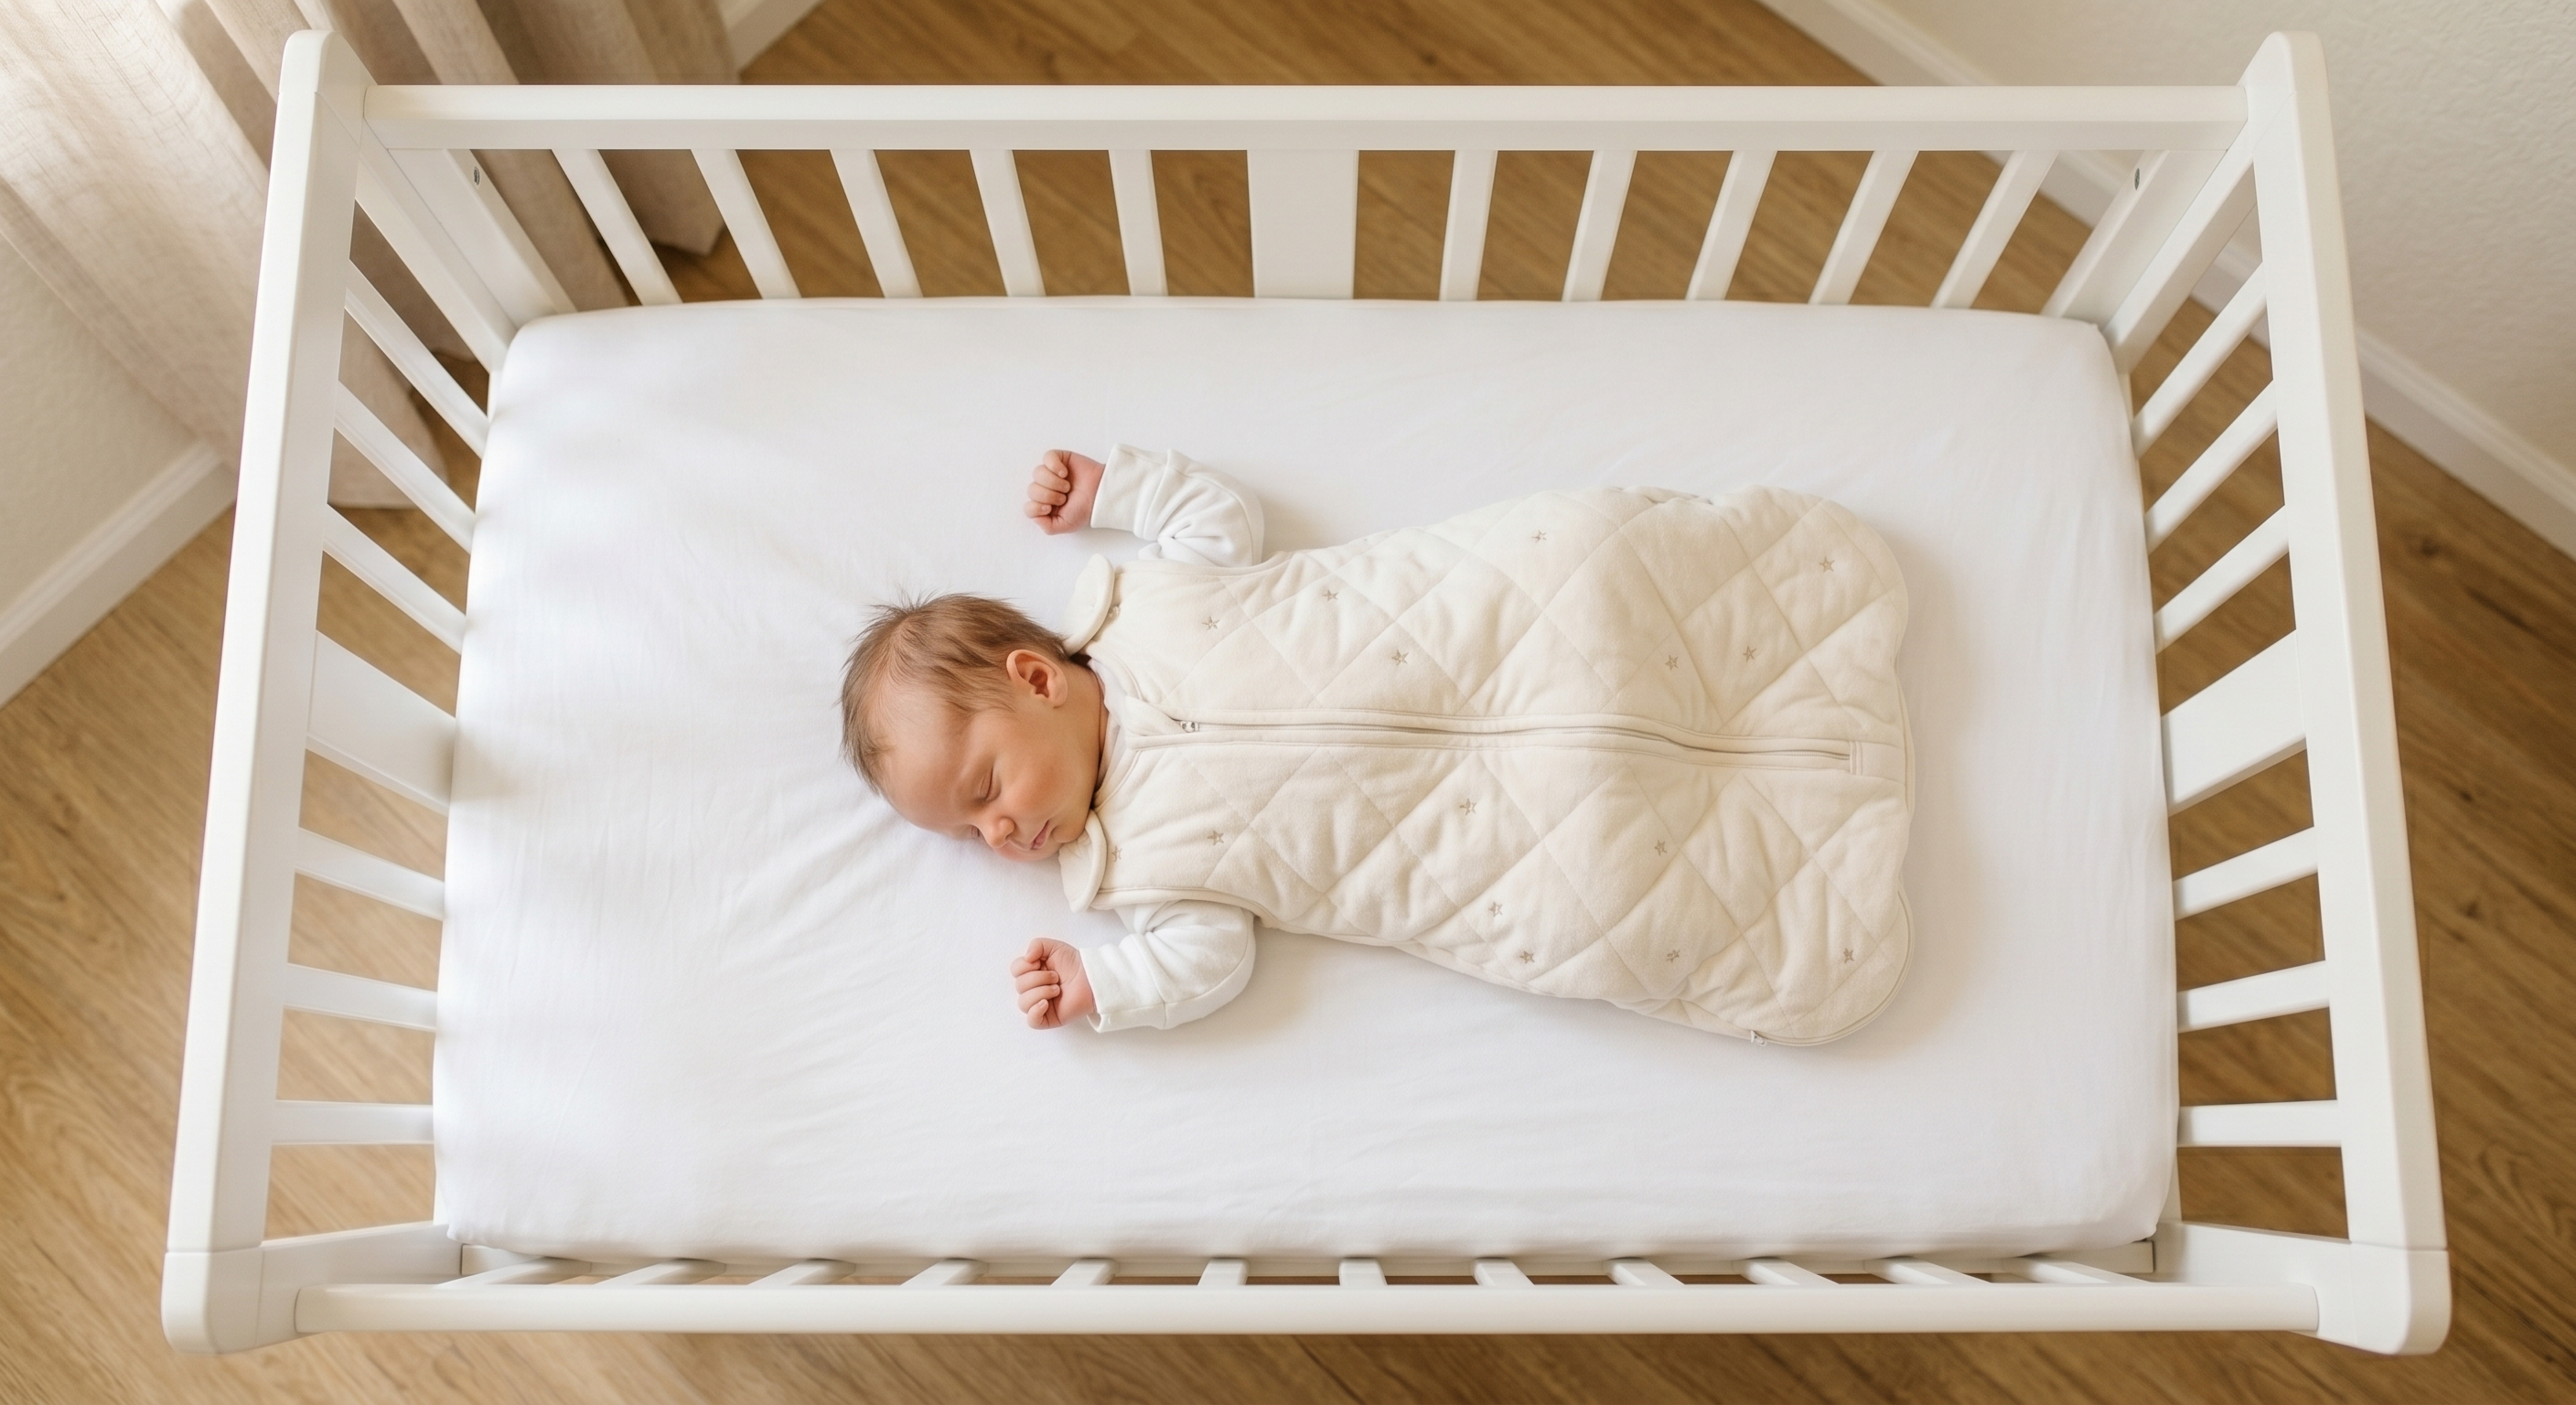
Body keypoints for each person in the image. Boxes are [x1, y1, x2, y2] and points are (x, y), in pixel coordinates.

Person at [841, 445, 1915, 1043]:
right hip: (1506, 843)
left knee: (1586, 571)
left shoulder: (1151, 602)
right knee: (1597, 898)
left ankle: (1780, 626)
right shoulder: (1141, 875)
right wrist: (1102, 986)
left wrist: (1112, 490)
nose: (1000, 834)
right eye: (972, 836)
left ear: (1036, 679)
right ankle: (1804, 877)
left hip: (1499, 630)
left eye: (984, 788)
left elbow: (1214, 516)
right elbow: (1208, 964)